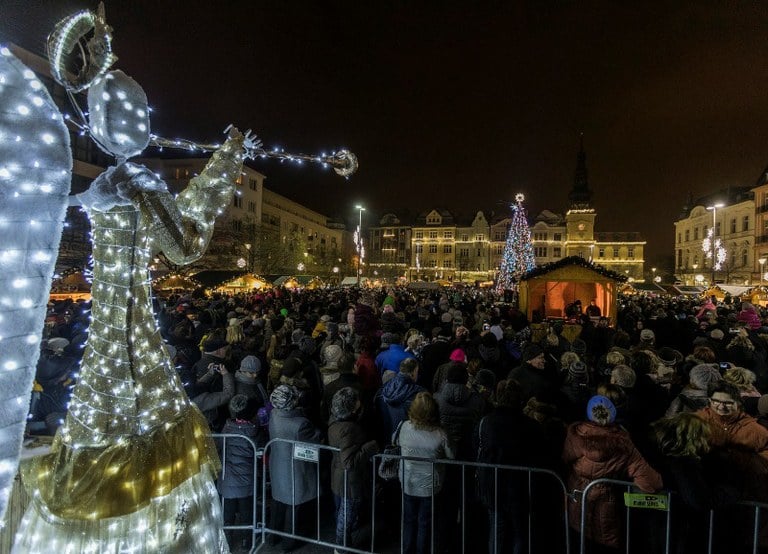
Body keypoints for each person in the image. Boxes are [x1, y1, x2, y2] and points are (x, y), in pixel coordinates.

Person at [563, 395, 662, 552]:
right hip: (607, 500)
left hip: (577, 496)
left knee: (578, 539)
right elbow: (649, 480)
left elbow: (564, 460)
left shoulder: (575, 436)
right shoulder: (623, 443)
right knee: (603, 540)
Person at [477, 379, 556, 554]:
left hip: (494, 484)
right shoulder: (531, 426)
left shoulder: (487, 422)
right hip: (520, 487)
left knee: (497, 529)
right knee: (520, 532)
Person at [267, 384, 323, 551]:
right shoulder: (300, 423)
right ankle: (289, 542)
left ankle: (273, 536)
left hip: (278, 465)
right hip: (296, 470)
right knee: (294, 506)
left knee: (278, 502)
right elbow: (314, 440)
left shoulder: (273, 414)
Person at [397, 392, 454, 554]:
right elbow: (451, 455)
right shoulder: (440, 433)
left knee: (408, 521)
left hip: (408, 482)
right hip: (430, 486)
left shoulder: (404, 427)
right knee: (424, 522)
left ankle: (407, 550)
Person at [327, 387, 379, 550]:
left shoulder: (334, 420)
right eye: (357, 405)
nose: (360, 407)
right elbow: (349, 462)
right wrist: (370, 447)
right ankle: (341, 547)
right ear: (350, 409)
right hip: (349, 482)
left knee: (342, 513)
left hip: (338, 477)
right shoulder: (349, 429)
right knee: (346, 517)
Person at [218, 394, 260, 552]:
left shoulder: (226, 428)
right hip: (246, 481)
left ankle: (226, 541)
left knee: (227, 514)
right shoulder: (253, 432)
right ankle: (246, 541)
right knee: (247, 513)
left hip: (226, 479)